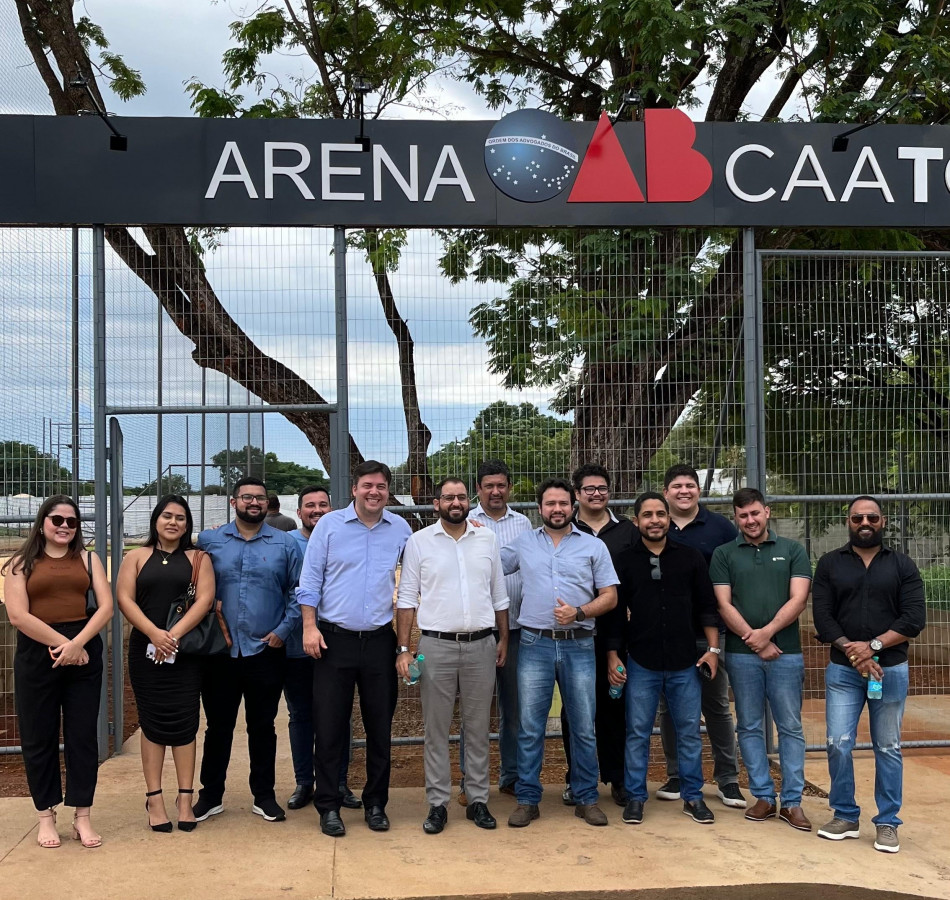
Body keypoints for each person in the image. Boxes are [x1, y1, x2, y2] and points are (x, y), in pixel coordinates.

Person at [298, 461, 412, 838]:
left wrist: (403, 646)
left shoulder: (400, 529)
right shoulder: (329, 526)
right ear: (354, 489)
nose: (374, 492)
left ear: (387, 491)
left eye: (381, 486)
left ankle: (376, 803)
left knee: (381, 727)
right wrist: (310, 627)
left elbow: (415, 579)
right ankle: (328, 805)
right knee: (330, 728)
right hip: (334, 641)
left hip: (380, 641)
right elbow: (310, 580)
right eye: (367, 485)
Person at [501, 478, 618, 828]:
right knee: (529, 726)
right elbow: (488, 567)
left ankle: (585, 798)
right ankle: (527, 799)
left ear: (573, 506)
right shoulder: (522, 543)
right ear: (540, 509)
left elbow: (610, 596)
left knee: (583, 725)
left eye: (563, 504)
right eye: (550, 504)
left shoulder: (594, 547)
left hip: (579, 643)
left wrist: (580, 612)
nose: (557, 509)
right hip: (534, 644)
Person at [812, 495, 926, 853]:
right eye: (858, 517)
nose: (865, 523)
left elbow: (913, 620)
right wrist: (855, 652)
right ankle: (845, 815)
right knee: (838, 743)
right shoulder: (830, 564)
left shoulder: (903, 565)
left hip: (889, 670)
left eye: (872, 517)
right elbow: (823, 617)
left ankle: (888, 822)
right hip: (843, 671)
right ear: (848, 521)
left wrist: (872, 647)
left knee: (888, 746)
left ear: (883, 521)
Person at [396, 476, 509, 834]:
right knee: (436, 729)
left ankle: (477, 800)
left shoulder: (487, 539)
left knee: (477, 728)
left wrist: (503, 638)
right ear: (436, 504)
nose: (455, 502)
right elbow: (407, 598)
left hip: (482, 644)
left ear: (469, 500)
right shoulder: (419, 542)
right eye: (448, 497)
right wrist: (404, 649)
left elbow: (499, 595)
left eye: (461, 496)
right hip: (436, 646)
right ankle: (437, 804)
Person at [2, 495, 113, 849]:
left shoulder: (88, 559)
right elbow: (18, 616)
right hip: (38, 651)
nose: (65, 526)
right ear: (42, 522)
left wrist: (78, 643)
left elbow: (106, 607)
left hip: (82, 647)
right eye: (57, 520)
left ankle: (82, 815)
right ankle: (45, 817)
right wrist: (64, 646)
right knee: (39, 735)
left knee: (82, 736)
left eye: (72, 521)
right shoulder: (20, 563)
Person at [192, 477, 302, 824]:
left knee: (263, 725)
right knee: (217, 726)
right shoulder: (210, 540)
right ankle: (210, 795)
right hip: (220, 651)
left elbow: (298, 592)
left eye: (259, 498)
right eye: (246, 497)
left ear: (268, 504)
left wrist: (282, 631)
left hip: (265, 649)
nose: (253, 503)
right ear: (233, 501)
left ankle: (264, 795)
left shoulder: (285, 544)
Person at [607, 492, 720, 826]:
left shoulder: (691, 557)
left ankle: (693, 797)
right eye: (647, 515)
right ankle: (636, 798)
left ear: (669, 518)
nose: (654, 520)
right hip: (640, 660)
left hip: (685, 660)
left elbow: (707, 607)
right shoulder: (624, 560)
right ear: (637, 520)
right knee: (637, 732)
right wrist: (613, 655)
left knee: (688, 731)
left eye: (660, 514)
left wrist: (712, 652)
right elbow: (614, 614)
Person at [710, 488, 813, 832]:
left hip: (786, 655)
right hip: (742, 657)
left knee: (790, 728)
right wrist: (755, 642)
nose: (750, 520)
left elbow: (798, 599)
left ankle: (793, 802)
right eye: (743, 516)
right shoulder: (724, 554)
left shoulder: (792, 550)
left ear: (767, 512)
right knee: (749, 726)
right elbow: (724, 604)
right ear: (735, 519)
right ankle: (764, 796)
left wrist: (766, 633)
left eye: (755, 513)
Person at [116, 495, 216, 833]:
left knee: (185, 723)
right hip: (146, 652)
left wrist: (170, 635)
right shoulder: (136, 557)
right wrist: (153, 634)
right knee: (153, 723)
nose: (173, 522)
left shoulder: (199, 558)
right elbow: (124, 599)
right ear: (155, 520)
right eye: (167, 516)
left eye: (181, 518)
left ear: (188, 525)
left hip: (185, 653)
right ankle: (155, 799)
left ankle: (185, 799)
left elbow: (204, 600)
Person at [657, 463, 745, 809]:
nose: (684, 491)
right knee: (670, 709)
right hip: (668, 635)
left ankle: (728, 779)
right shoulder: (655, 525)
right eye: (676, 485)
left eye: (690, 485)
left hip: (711, 633)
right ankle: (677, 775)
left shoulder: (721, 528)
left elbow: (733, 577)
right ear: (666, 492)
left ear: (698, 490)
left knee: (717, 706)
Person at [559, 463, 634, 808]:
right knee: (574, 710)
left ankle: (617, 778)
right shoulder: (563, 530)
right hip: (573, 634)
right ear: (577, 494)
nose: (596, 494)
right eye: (588, 489)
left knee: (615, 704)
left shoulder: (627, 532)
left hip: (615, 633)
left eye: (602, 488)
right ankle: (576, 778)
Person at [283, 486, 361, 812]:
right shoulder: (286, 543)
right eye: (309, 505)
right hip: (296, 647)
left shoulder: (343, 538)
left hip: (335, 645)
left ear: (332, 508)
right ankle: (305, 782)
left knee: (337, 717)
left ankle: (339, 782)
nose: (317, 510)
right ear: (299, 512)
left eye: (323, 504)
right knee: (301, 715)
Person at [463, 459, 532, 802]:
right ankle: (470, 782)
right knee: (474, 712)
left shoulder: (524, 524)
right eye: (488, 485)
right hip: (475, 629)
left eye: (501, 485)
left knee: (514, 709)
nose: (495, 491)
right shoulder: (465, 522)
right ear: (478, 489)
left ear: (509, 487)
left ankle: (512, 776)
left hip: (516, 627)